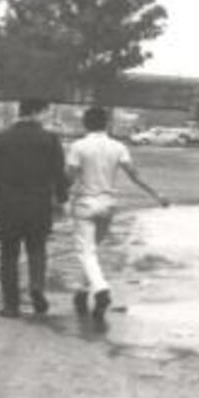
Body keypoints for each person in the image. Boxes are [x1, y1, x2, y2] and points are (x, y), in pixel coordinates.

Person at [66, 106, 169, 324]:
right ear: (107, 124)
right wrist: (157, 195)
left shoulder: (78, 147)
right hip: (108, 205)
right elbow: (134, 175)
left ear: (86, 123)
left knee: (85, 253)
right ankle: (82, 293)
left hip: (85, 204)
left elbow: (69, 178)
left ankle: (101, 290)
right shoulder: (118, 147)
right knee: (91, 252)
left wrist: (57, 199)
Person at [0, 98, 69, 318]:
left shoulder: (1, 138)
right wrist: (62, 201)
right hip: (39, 205)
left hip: (7, 206)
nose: (48, 117)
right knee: (37, 249)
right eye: (47, 112)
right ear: (36, 112)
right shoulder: (50, 139)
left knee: (8, 255)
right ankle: (36, 286)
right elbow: (58, 174)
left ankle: (11, 305)